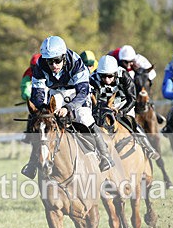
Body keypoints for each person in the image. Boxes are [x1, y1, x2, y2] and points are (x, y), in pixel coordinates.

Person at [21, 36, 114, 178]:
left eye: (57, 60)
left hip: (76, 93)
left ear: (63, 56)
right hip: (55, 94)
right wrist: (43, 110)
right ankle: (33, 163)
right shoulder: (40, 65)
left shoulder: (75, 61)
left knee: (84, 117)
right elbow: (38, 93)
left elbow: (83, 91)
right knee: (43, 124)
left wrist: (69, 108)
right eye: (50, 61)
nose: (53, 65)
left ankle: (105, 155)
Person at [89, 55, 159, 160]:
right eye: (103, 76)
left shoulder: (124, 76)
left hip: (123, 103)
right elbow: (95, 101)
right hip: (103, 106)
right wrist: (106, 109)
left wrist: (122, 112)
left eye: (110, 76)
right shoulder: (93, 79)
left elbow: (132, 98)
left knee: (131, 122)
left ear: (115, 73)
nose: (107, 80)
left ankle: (148, 147)